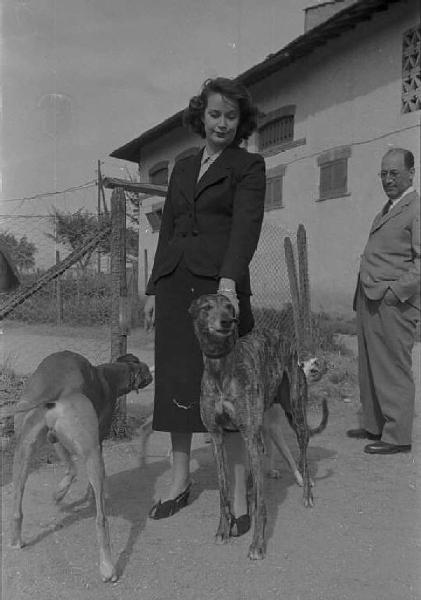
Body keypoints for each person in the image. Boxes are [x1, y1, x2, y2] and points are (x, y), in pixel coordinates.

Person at [143, 77, 266, 532]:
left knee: (229, 392)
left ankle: (237, 496)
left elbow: (245, 228)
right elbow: (170, 229)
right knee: (178, 382)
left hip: (220, 292)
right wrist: (155, 288)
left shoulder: (249, 166)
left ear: (241, 121)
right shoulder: (182, 165)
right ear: (202, 116)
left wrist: (229, 285)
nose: (222, 123)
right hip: (177, 287)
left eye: (231, 116)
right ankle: (179, 481)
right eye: (215, 114)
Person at [347, 147, 420, 454]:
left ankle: (397, 436)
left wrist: (396, 293)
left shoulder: (416, 208)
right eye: (383, 174)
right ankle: (375, 425)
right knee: (369, 365)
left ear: (411, 173)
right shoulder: (387, 209)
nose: (388, 180)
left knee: (392, 366)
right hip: (368, 297)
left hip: (393, 301)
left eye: (394, 173)